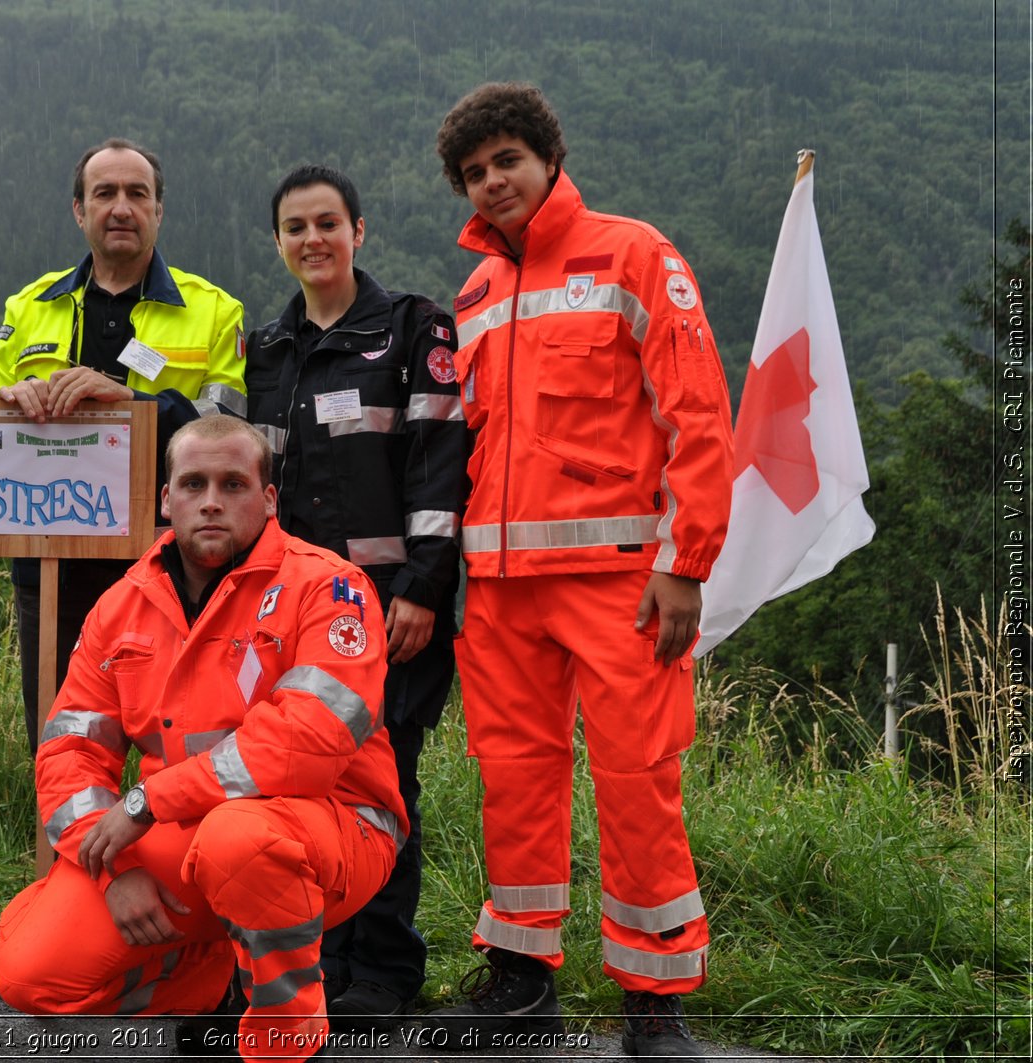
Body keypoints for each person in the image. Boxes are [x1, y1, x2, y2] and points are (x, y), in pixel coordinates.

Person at [428, 83, 734, 1060]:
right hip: (501, 593)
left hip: (619, 583)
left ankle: (653, 1003)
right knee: (512, 780)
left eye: (506, 160)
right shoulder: (473, 295)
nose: (492, 181)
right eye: (474, 173)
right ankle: (522, 985)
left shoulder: (633, 253)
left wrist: (684, 564)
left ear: (548, 158)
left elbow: (697, 413)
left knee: (638, 781)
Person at [0, 415, 406, 1062]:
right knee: (31, 972)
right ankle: (214, 990)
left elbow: (307, 741)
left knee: (239, 841)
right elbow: (70, 752)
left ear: (269, 500)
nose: (212, 499)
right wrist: (114, 871)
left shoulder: (328, 586)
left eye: (233, 482)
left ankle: (289, 1040)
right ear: (166, 499)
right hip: (184, 830)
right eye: (193, 482)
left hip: (334, 825)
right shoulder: (120, 605)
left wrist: (148, 802)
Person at [244, 165, 466, 1030]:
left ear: (359, 231)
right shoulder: (266, 349)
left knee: (378, 786)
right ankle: (312, 961)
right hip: (288, 616)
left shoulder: (413, 327)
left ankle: (381, 965)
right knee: (292, 788)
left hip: (386, 612)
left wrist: (420, 587)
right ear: (279, 242)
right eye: (295, 227)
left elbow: (441, 465)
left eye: (327, 223)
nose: (312, 240)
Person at [0, 137, 246, 753]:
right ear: (80, 211)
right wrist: (13, 403)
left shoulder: (214, 311)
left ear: (159, 210)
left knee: (183, 740)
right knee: (60, 738)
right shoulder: (26, 307)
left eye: (137, 193)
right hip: (51, 560)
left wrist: (133, 405)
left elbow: (229, 434)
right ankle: (65, 852)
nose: (121, 207)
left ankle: (179, 851)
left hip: (172, 562)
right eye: (105, 193)